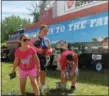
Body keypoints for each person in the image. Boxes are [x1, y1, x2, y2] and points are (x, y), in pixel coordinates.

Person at [34, 24, 51, 91]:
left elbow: (48, 49)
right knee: (37, 73)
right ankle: (36, 86)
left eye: (47, 31)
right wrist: (37, 49)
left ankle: (42, 85)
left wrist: (50, 47)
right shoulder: (35, 38)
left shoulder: (46, 39)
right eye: (45, 31)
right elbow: (30, 46)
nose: (46, 32)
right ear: (40, 30)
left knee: (43, 72)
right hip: (36, 58)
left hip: (43, 58)